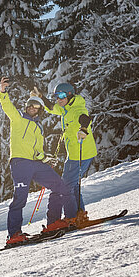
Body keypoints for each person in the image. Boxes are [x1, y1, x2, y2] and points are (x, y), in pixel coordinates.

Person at [0, 76, 79, 246]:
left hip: (37, 164)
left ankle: (56, 222)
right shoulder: (18, 119)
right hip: (20, 163)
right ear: (26, 107)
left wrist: (46, 158)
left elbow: (37, 151)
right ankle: (14, 234)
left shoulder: (39, 127)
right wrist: (3, 91)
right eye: (30, 105)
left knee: (60, 186)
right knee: (20, 198)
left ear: (40, 109)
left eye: (36, 106)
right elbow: (7, 106)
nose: (32, 108)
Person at [34, 81, 97, 224]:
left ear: (69, 95)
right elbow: (51, 107)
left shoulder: (76, 109)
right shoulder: (65, 108)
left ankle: (72, 217)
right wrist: (41, 97)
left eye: (61, 96)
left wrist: (84, 129)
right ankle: (79, 214)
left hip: (81, 153)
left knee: (66, 186)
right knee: (72, 184)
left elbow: (85, 119)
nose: (58, 99)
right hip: (76, 153)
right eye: (56, 96)